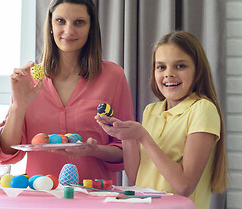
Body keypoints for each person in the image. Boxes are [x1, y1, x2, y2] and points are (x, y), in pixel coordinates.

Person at [0, 0, 135, 184]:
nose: (68, 31)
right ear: (50, 24)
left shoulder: (113, 76)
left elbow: (125, 152)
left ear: (90, 27)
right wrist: (18, 107)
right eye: (60, 21)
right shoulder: (30, 79)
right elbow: (6, 153)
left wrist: (94, 150)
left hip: (95, 198)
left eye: (79, 22)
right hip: (39, 198)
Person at [96, 31, 228, 209]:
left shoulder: (203, 109)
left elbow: (184, 185)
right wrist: (126, 136)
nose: (169, 74)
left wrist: (143, 137)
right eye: (161, 67)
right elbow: (136, 179)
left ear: (197, 70)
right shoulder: (151, 111)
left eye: (180, 66)